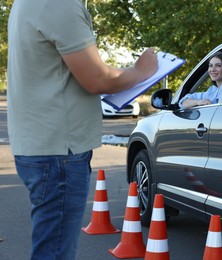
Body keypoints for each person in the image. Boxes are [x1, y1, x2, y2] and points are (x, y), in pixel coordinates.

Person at [7, 0, 158, 259]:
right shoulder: (59, 5)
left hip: (40, 145)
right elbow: (97, 79)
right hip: (59, 151)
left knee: (49, 248)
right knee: (55, 252)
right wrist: (141, 70)